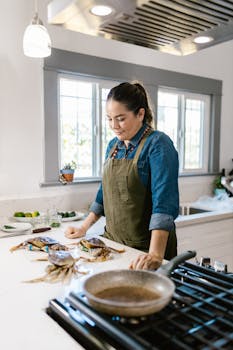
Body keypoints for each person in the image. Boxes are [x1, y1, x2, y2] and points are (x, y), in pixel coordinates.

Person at [65, 82, 179, 270]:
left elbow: (164, 203)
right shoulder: (113, 146)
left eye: (120, 119)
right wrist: (83, 227)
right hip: (113, 245)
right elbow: (104, 193)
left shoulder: (158, 144)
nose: (113, 126)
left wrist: (155, 254)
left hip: (144, 251)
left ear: (140, 114)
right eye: (109, 119)